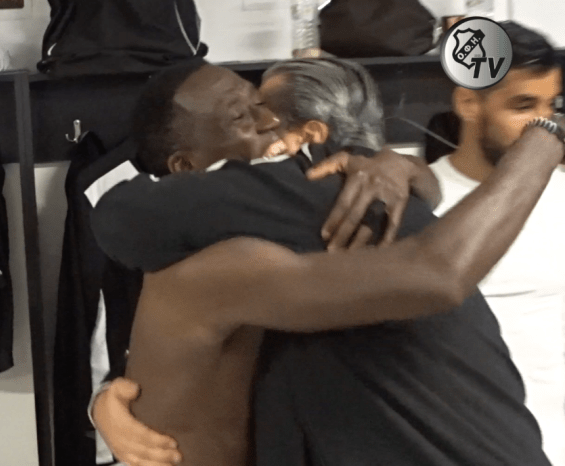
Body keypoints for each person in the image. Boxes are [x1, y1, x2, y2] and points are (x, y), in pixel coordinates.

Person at [88, 58, 563, 466]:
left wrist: (395, 165)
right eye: (242, 116)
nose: (271, 122)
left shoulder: (301, 217)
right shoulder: (227, 244)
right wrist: (544, 138)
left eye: (262, 104)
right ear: (185, 171)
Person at [428, 22, 565, 466]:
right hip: (465, 448)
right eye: (523, 106)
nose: (545, 125)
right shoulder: (421, 202)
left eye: (551, 105)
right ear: (469, 102)